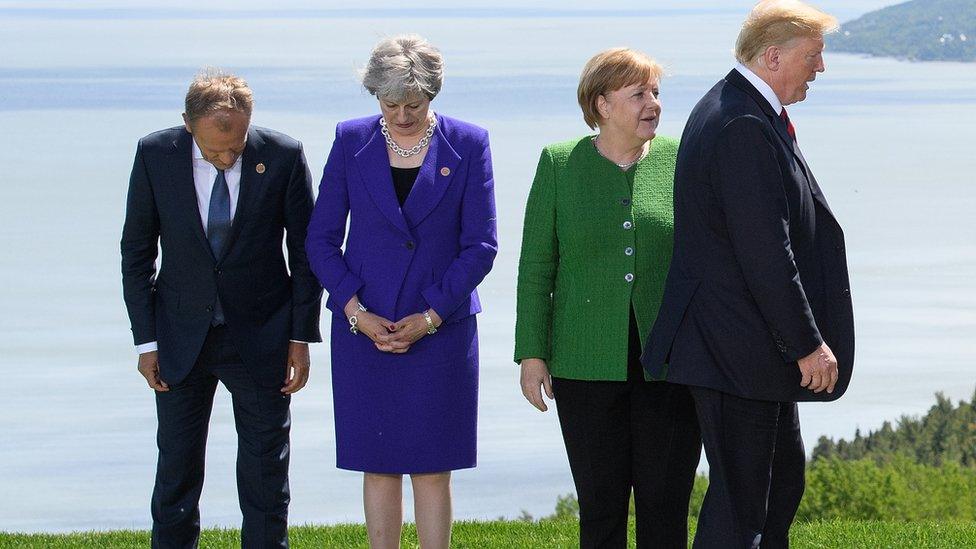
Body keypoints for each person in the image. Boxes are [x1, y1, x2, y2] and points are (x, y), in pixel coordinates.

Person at [642, 1, 855, 547]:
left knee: (778, 487)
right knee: (741, 508)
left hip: (749, 350)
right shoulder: (739, 122)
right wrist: (808, 344)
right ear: (774, 56)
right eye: (814, 57)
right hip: (735, 349)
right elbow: (765, 252)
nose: (821, 69)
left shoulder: (739, 108)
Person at [305, 35, 497, 549]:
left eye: (413, 104)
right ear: (375, 97)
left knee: (434, 467)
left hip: (442, 330)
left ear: (432, 94)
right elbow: (320, 240)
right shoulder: (350, 140)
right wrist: (354, 311)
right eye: (390, 104)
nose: (402, 115)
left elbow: (480, 246)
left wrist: (431, 315)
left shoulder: (471, 142)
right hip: (364, 331)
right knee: (378, 464)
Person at [121, 69, 322, 548]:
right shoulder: (154, 155)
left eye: (237, 146)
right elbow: (136, 253)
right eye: (215, 150)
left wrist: (300, 337)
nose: (228, 158)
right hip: (177, 337)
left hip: (262, 337)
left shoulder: (283, 156)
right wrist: (146, 342)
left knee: (265, 478)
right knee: (176, 475)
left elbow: (307, 254)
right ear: (188, 124)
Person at [515, 48, 702, 549]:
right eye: (639, 94)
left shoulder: (683, 159)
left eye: (656, 93)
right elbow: (536, 267)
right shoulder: (558, 164)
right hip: (583, 363)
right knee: (601, 507)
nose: (654, 104)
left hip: (672, 364)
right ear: (601, 103)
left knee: (666, 506)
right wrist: (532, 355)